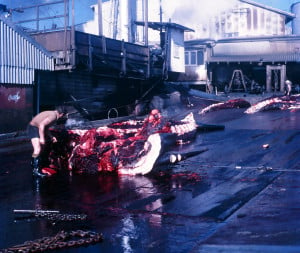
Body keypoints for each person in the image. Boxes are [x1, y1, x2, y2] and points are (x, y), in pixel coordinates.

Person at [27, 106, 67, 177]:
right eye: (64, 115)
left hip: (36, 127)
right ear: (61, 114)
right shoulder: (53, 116)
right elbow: (42, 125)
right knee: (37, 149)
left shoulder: (53, 114)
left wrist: (51, 136)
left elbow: (46, 127)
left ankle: (34, 166)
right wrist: (42, 138)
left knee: (40, 149)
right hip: (33, 128)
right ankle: (36, 171)